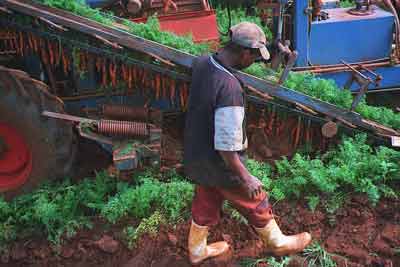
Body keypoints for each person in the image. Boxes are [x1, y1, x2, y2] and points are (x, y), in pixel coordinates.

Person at [184, 22, 312, 265]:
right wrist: (245, 176)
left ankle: (197, 250)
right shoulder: (229, 88)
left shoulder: (202, 63)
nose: (253, 62)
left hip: (197, 153)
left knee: (206, 198)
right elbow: (226, 145)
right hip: (220, 161)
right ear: (244, 52)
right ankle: (277, 242)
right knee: (254, 197)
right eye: (254, 57)